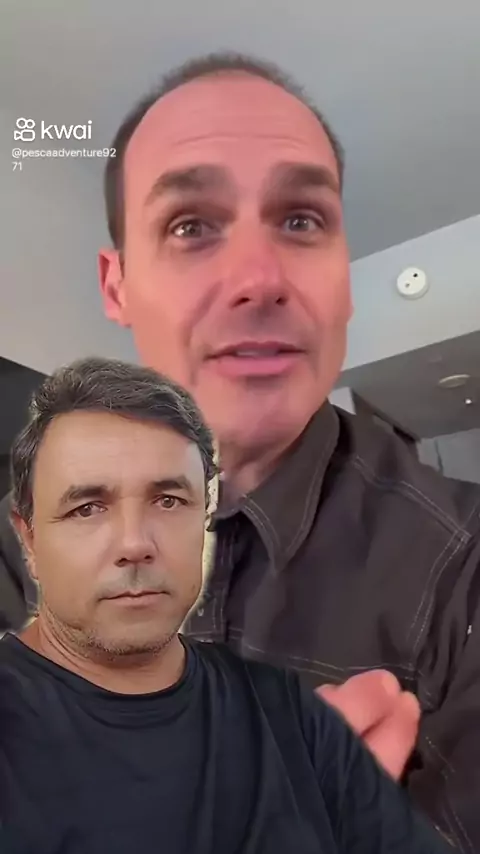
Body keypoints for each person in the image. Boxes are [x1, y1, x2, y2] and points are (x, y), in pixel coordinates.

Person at [1, 52, 479, 847]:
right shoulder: (20, 539)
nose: (259, 278)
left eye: (301, 221)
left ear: (343, 275)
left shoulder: (464, 573)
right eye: (191, 226)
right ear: (117, 286)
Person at [0, 356, 451, 853]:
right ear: (29, 540)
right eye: (87, 508)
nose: (135, 543)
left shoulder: (282, 708)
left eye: (168, 501)